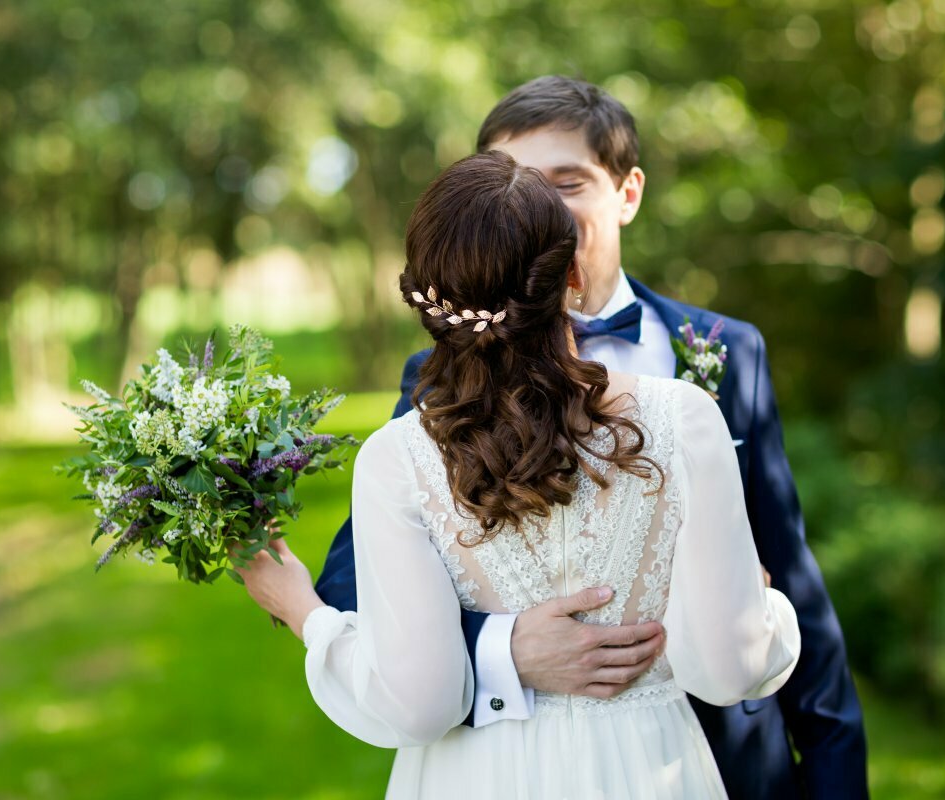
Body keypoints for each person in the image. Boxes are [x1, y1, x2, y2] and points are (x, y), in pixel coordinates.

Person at [313, 76, 869, 799]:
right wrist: (503, 651)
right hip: (505, 743)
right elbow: (360, 579)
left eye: (562, 183)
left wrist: (832, 775)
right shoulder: (432, 388)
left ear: (627, 192)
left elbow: (787, 564)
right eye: (511, 184)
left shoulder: (727, 355)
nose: (532, 206)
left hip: (717, 759)